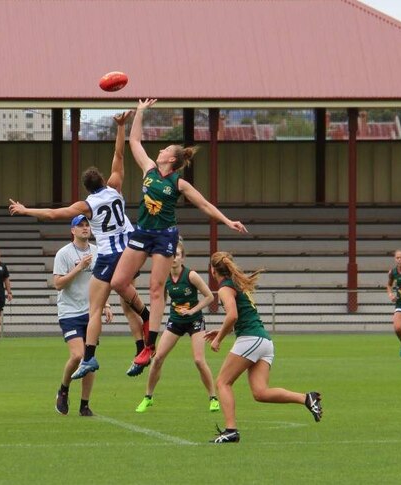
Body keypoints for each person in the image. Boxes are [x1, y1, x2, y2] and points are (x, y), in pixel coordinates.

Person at [111, 99, 248, 374]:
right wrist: (139, 112)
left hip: (164, 237)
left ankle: (149, 344)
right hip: (142, 232)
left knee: (155, 288)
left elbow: (205, 204)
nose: (159, 150)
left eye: (164, 149)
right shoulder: (149, 169)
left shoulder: (178, 182)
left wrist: (226, 220)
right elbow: (134, 141)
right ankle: (148, 317)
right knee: (118, 282)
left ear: (171, 159)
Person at [9, 111, 150, 379]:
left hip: (110, 255)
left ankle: (90, 357)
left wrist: (25, 210)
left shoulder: (86, 206)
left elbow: (52, 214)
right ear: (103, 180)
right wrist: (120, 127)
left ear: (86, 187)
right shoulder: (115, 188)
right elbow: (119, 157)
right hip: (132, 250)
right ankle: (141, 346)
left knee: (95, 307)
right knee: (124, 301)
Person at [205, 252, 322, 443]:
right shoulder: (237, 285)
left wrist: (219, 338)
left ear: (212, 270)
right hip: (264, 341)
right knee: (260, 392)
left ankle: (231, 430)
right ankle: (306, 398)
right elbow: (242, 316)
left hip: (250, 339)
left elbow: (233, 315)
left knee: (223, 383)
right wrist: (220, 331)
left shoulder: (225, 288)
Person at [135, 240, 219, 413]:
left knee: (198, 359)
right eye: (171, 255)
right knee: (157, 358)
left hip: (194, 321)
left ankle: (213, 398)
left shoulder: (191, 275)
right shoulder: (164, 277)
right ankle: (148, 397)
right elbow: (161, 300)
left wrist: (192, 310)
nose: (173, 258)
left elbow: (210, 296)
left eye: (177, 255)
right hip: (175, 321)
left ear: (183, 258)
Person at [52, 215, 109, 416]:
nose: (85, 228)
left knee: (89, 360)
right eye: (80, 226)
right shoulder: (63, 254)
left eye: (87, 225)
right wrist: (79, 267)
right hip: (69, 312)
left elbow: (100, 282)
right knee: (77, 355)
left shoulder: (97, 251)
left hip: (91, 312)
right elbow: (58, 284)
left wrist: (106, 304)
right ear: (73, 230)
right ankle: (63, 390)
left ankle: (84, 404)